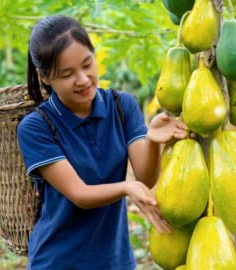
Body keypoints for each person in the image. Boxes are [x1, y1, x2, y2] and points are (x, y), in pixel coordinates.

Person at [17, 14, 191, 270]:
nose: (83, 79)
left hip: (114, 260)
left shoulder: (122, 106)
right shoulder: (36, 127)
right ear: (45, 78)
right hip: (59, 261)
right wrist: (125, 188)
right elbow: (80, 194)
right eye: (67, 74)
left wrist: (153, 142)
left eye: (87, 64)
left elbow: (145, 178)